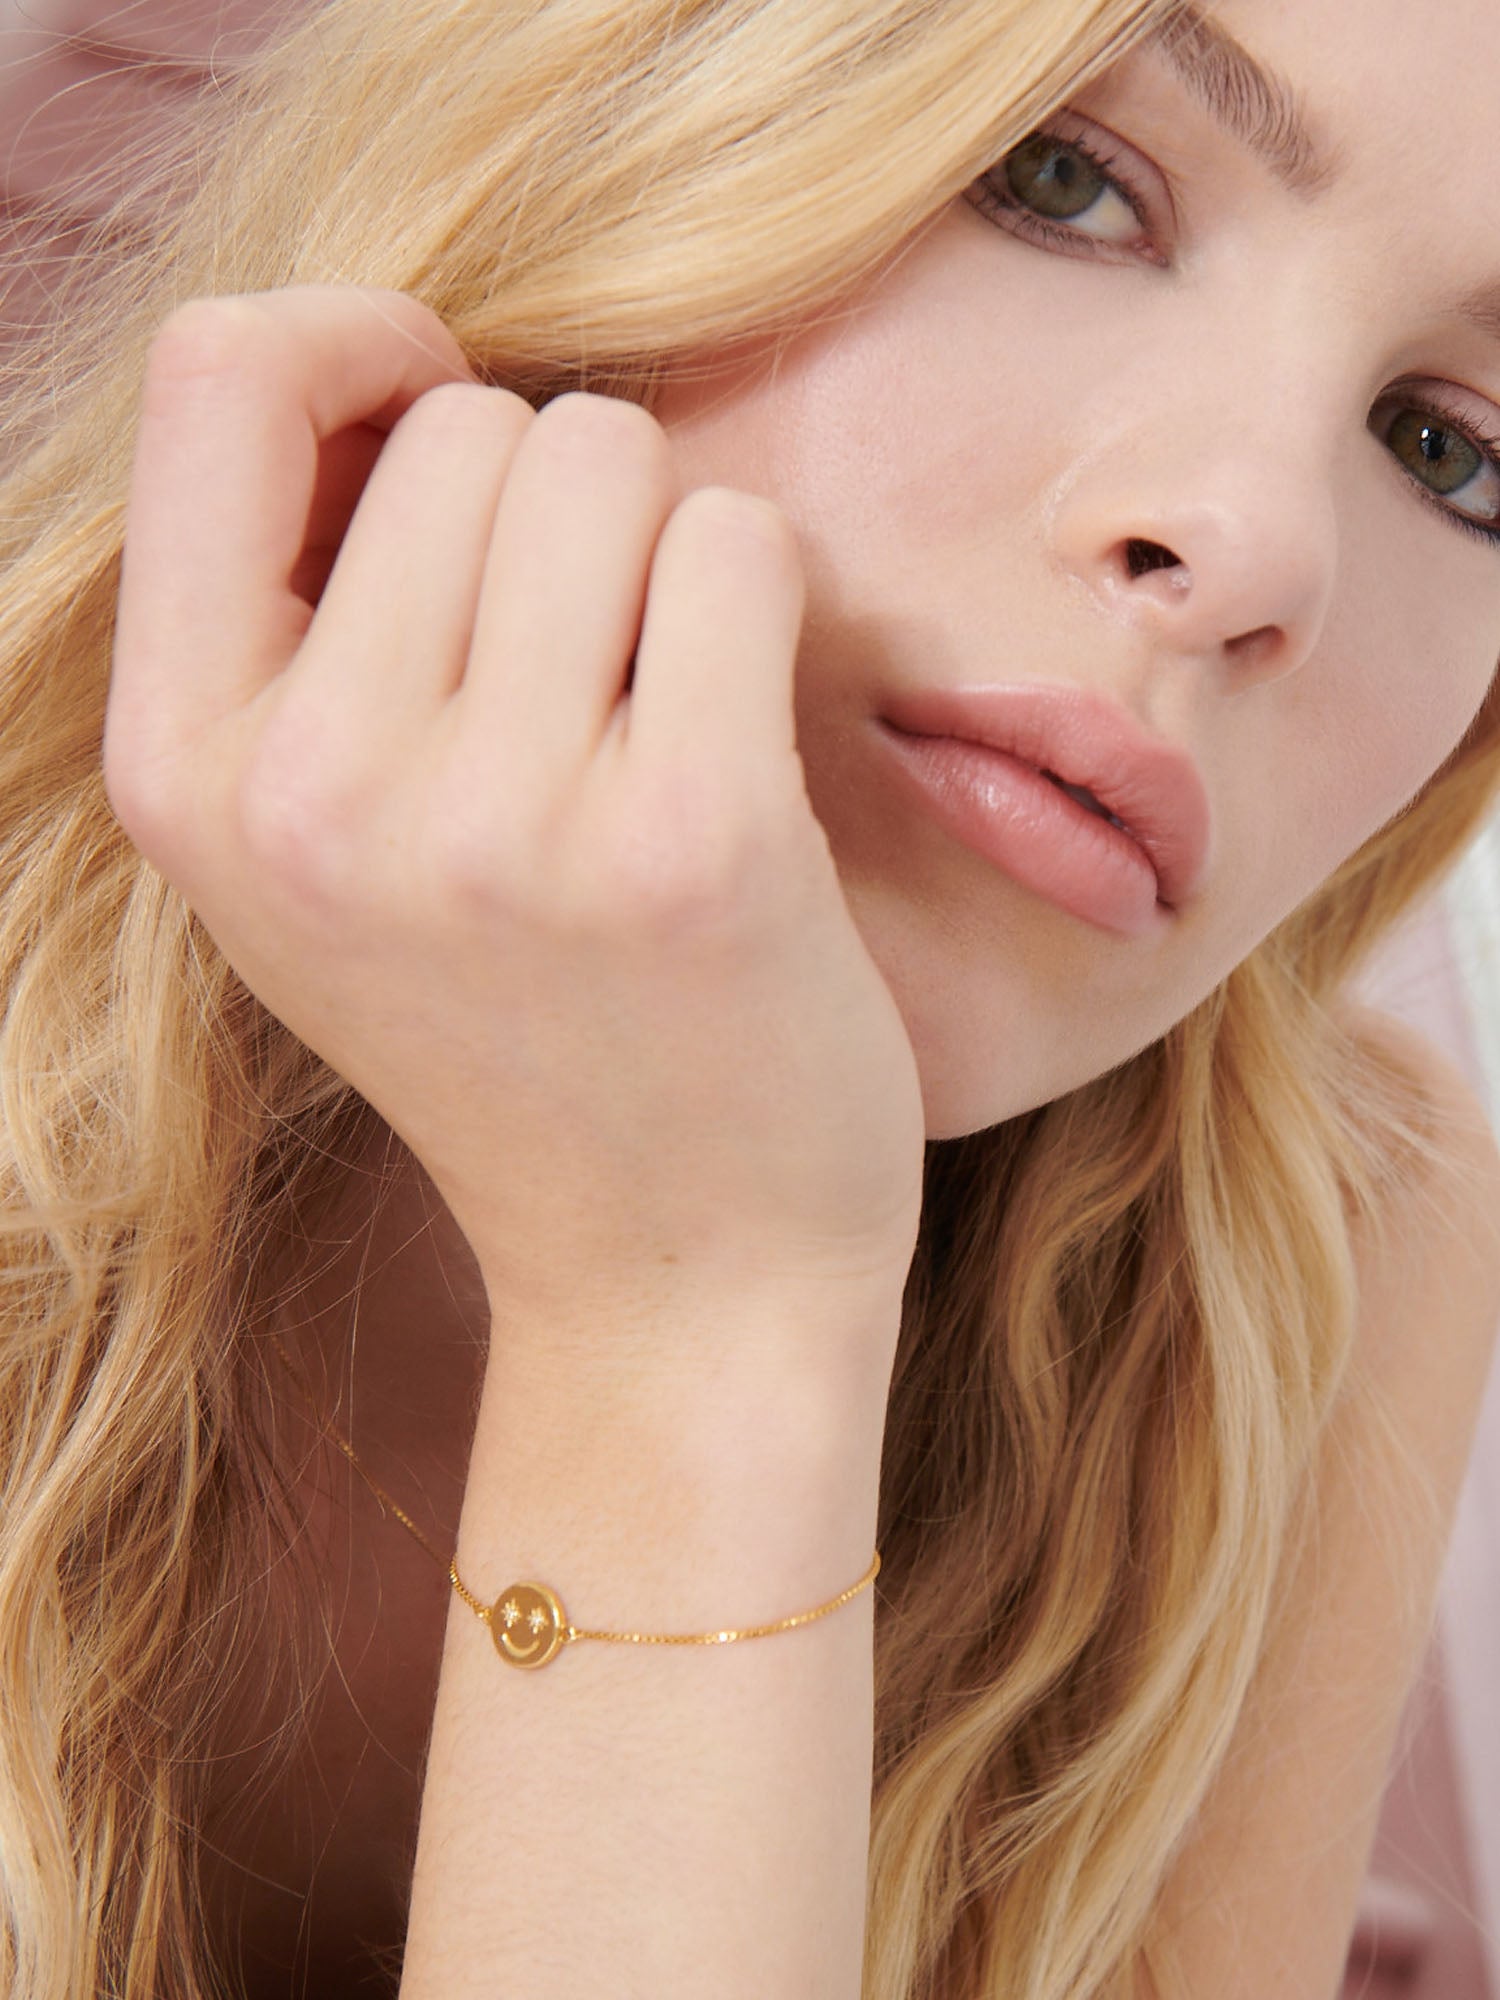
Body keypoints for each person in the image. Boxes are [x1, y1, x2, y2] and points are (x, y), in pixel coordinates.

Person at [3, 0, 1500, 1993]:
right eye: (1067, 183)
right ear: (612, 117)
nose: (1257, 551)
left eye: (1452, 451)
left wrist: (699, 1316)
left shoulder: (1322, 1256)